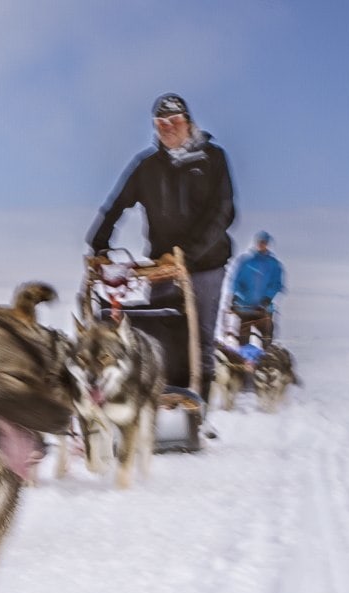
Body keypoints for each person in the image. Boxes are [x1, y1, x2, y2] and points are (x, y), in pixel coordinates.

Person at [87, 93, 236, 396]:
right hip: (162, 266)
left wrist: (188, 255)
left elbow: (222, 212)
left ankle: (199, 405)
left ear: (188, 123)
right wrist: (98, 246)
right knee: (163, 333)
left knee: (200, 337)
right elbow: (116, 205)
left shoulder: (212, 159)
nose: (168, 127)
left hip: (206, 264)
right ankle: (161, 399)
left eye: (174, 120)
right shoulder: (147, 166)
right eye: (160, 123)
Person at [230, 231, 284, 345]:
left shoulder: (274, 264)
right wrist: (236, 296)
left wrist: (267, 298)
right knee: (243, 338)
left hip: (264, 309)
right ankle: (243, 353)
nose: (262, 245)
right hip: (245, 308)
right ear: (256, 243)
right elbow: (236, 281)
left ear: (268, 244)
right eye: (260, 242)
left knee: (267, 337)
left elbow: (276, 284)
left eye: (264, 242)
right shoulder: (246, 262)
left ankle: (267, 353)